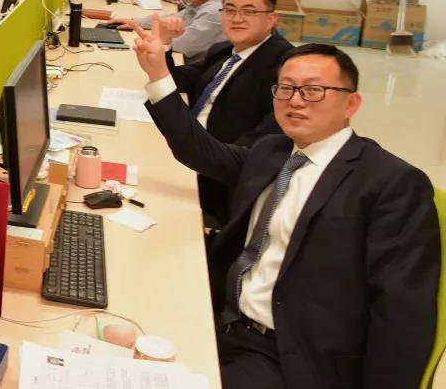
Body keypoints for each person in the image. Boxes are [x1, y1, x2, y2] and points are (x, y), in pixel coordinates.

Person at [131, 28, 439, 389]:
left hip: (289, 356)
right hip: (221, 319)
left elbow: (402, 314)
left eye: (313, 90)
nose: (296, 101)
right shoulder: (273, 151)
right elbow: (201, 151)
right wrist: (158, 74)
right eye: (286, 89)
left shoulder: (390, 183)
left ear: (351, 104)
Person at [164, 0, 293, 225]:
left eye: (249, 12)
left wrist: (194, 151)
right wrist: (164, 46)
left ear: (271, 19)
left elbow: (259, 146)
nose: (237, 18)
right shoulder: (225, 51)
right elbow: (179, 80)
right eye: (230, 10)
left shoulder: (284, 68)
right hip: (187, 149)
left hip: (216, 177)